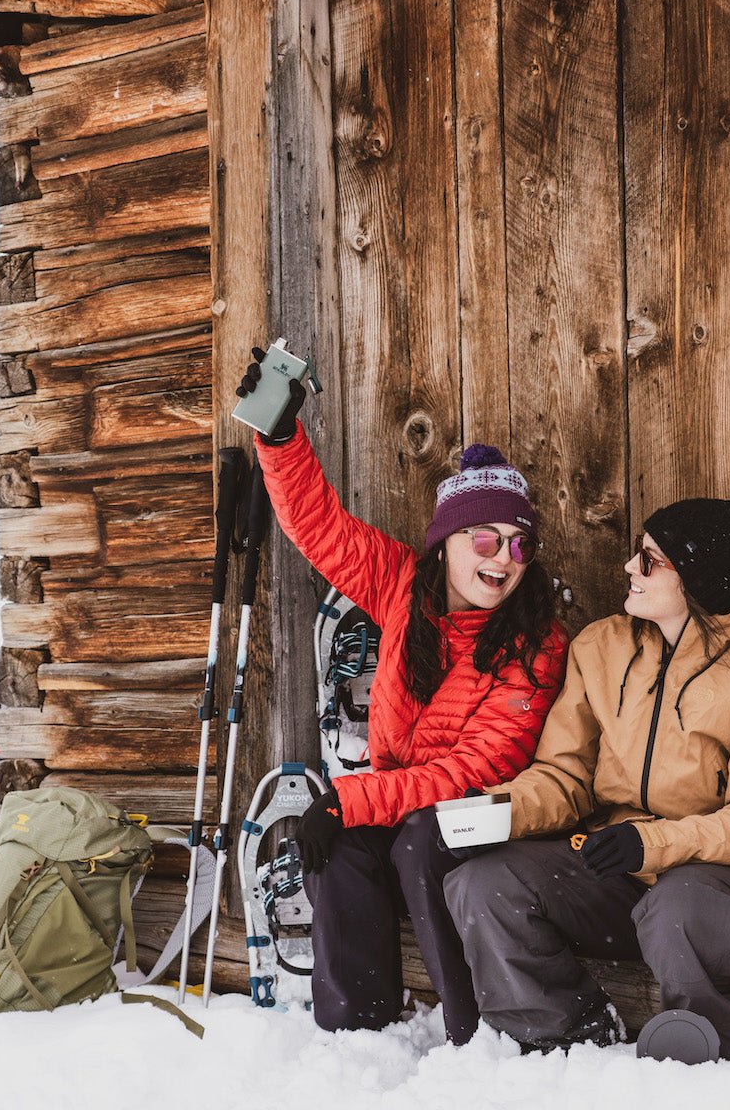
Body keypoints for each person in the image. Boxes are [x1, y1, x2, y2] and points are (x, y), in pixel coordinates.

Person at [237, 360, 569, 1044]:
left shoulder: (534, 640)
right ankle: (356, 1031)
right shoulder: (402, 587)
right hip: (401, 794)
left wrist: (352, 797)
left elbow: (478, 768)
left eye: (519, 544)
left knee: (420, 837)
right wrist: (278, 436)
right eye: (485, 538)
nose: (503, 558)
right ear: (446, 542)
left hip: (484, 820)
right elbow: (318, 528)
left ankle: (471, 1028)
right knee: (343, 845)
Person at [443, 498, 730, 1059]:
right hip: (618, 862)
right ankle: (560, 1039)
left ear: (701, 581)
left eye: (650, 561)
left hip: (728, 884)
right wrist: (498, 809)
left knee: (679, 905)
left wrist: (653, 842)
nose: (630, 567)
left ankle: (708, 1057)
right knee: (484, 885)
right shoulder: (602, 647)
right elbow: (566, 775)